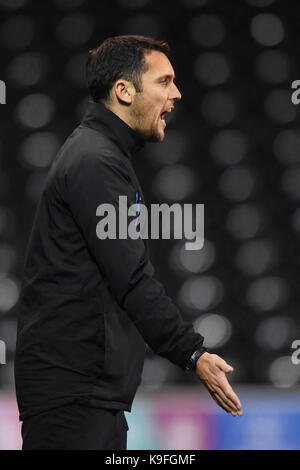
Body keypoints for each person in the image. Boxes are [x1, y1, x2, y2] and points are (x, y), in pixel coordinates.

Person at [14, 35, 242, 451]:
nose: (176, 93)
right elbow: (132, 278)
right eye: (164, 81)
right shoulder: (95, 162)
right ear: (124, 90)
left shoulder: (98, 155)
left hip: (81, 395)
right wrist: (193, 355)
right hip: (74, 398)